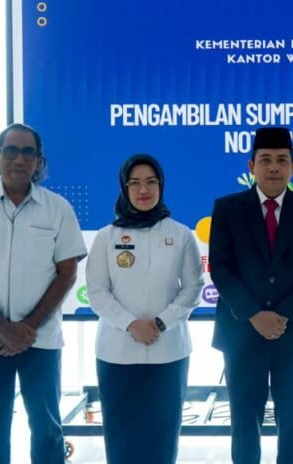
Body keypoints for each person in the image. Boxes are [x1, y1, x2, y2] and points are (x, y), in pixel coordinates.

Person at [0, 123, 87, 464]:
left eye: (28, 152)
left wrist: (27, 329)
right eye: (11, 150)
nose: (19, 159)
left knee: (47, 428)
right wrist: (5, 329)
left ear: (38, 161)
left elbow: (67, 274)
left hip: (40, 339)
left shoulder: (58, 209)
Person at [208, 126, 293, 464]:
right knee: (245, 423)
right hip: (241, 333)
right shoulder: (228, 208)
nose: (273, 167)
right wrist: (254, 314)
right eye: (265, 160)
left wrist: (283, 315)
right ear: (251, 166)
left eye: (281, 160)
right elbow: (221, 269)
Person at [85, 153, 205, 464]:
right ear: (124, 188)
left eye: (151, 182)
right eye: (135, 183)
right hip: (116, 353)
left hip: (169, 352)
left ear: (161, 186)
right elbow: (97, 292)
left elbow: (193, 288)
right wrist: (130, 323)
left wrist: (161, 323)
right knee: (121, 438)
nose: (143, 190)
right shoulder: (106, 237)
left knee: (162, 437)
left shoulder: (181, 235)